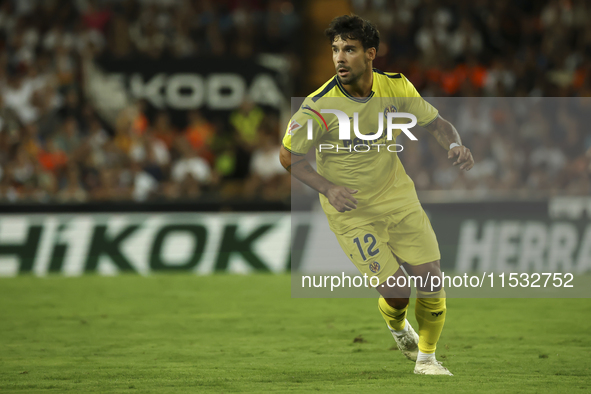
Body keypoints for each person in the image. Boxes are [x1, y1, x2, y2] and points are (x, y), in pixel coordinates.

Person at [279, 15, 474, 376]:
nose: (339, 57)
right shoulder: (318, 105)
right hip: (351, 209)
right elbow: (289, 157)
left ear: (371, 54)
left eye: (349, 49)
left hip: (398, 196)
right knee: (398, 292)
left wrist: (456, 145)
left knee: (431, 278)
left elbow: (437, 124)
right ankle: (397, 324)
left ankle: (427, 360)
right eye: (335, 49)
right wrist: (328, 188)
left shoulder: (396, 88)